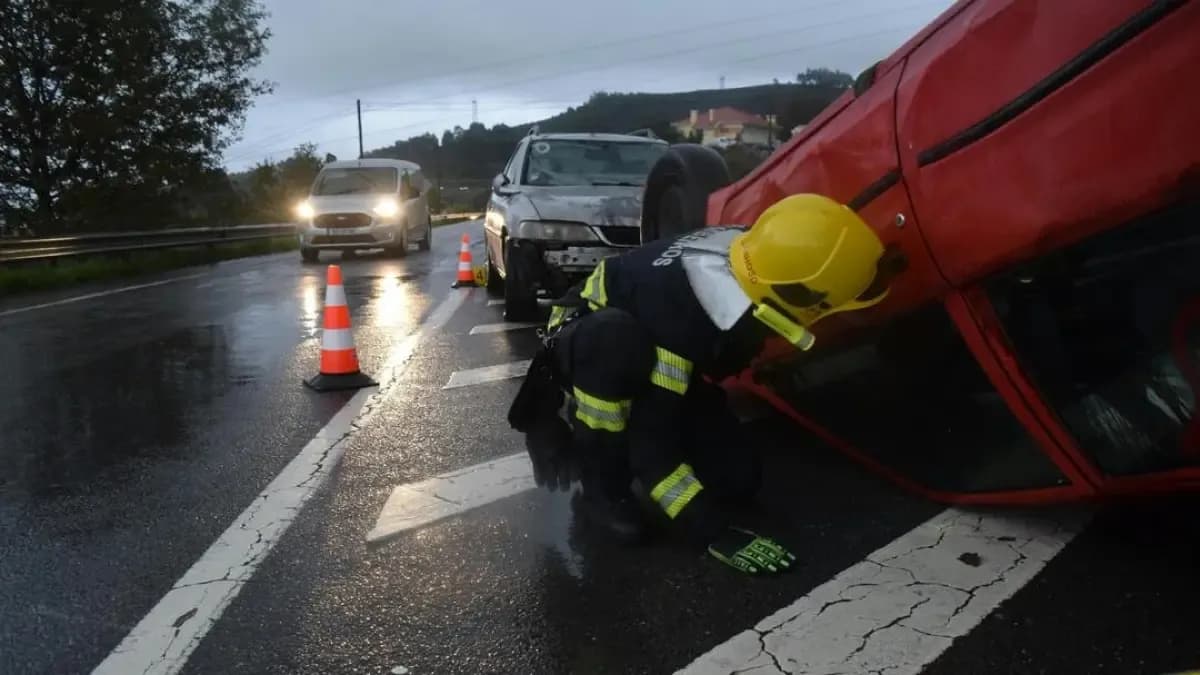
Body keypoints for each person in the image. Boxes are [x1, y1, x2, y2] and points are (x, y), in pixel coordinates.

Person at [507, 193, 907, 576]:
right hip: (591, 341)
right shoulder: (681, 323)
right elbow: (653, 452)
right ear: (799, 298)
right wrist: (711, 531)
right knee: (616, 350)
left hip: (655, 341)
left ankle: (642, 429)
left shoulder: (761, 252)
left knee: (737, 481)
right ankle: (602, 486)